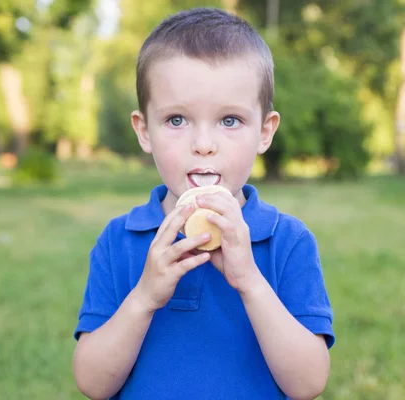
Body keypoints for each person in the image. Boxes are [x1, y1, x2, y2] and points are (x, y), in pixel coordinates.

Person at [73, 7, 335, 400]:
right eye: (177, 120)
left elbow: (308, 384)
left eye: (230, 121)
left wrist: (249, 280)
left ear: (264, 132)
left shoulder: (287, 241)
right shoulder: (120, 241)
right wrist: (144, 297)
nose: (204, 144)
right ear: (144, 131)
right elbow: (93, 384)